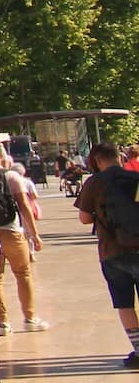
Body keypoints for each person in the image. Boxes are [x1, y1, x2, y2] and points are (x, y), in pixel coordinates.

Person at [74, 143, 139, 369]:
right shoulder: (135, 178)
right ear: (118, 157)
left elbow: (84, 218)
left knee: (124, 303)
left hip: (111, 252)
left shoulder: (94, 182)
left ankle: (138, 350)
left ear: (98, 160)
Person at [0, 140, 50, 335]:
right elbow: (24, 206)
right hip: (12, 232)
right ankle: (30, 318)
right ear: (2, 155)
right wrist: (34, 235)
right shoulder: (12, 176)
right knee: (23, 275)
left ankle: (3, 323)